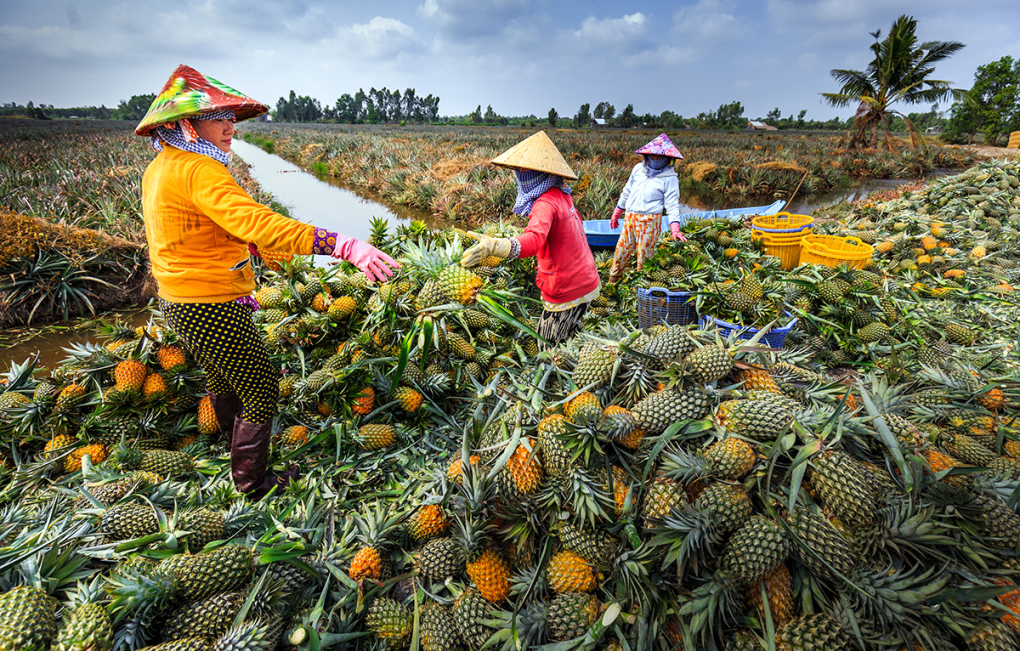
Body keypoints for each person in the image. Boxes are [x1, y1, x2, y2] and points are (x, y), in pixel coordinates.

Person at [135, 65, 397, 499]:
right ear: (186, 124)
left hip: (178, 299)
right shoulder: (201, 171)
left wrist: (247, 253)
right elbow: (256, 220)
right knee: (260, 388)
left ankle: (228, 446)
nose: (229, 126)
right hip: (209, 302)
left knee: (222, 377)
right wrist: (343, 245)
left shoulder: (162, 166)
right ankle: (253, 484)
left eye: (231, 117)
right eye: (218, 117)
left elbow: (196, 227)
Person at [461, 131, 600, 346]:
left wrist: (496, 245)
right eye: (519, 169)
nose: (519, 175)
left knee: (545, 344)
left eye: (523, 170)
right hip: (586, 280)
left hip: (567, 288)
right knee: (571, 332)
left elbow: (534, 239)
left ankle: (556, 376)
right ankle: (574, 358)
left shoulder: (544, 203)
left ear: (539, 172)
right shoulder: (562, 193)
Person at [607, 133, 691, 284]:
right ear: (647, 155)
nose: (656, 159)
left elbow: (672, 204)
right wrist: (617, 213)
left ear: (668, 159)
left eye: (660, 157)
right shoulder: (638, 169)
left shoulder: (670, 178)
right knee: (621, 250)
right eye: (653, 155)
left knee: (645, 257)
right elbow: (627, 191)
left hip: (650, 221)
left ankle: (642, 287)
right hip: (630, 217)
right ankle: (613, 280)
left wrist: (675, 229)